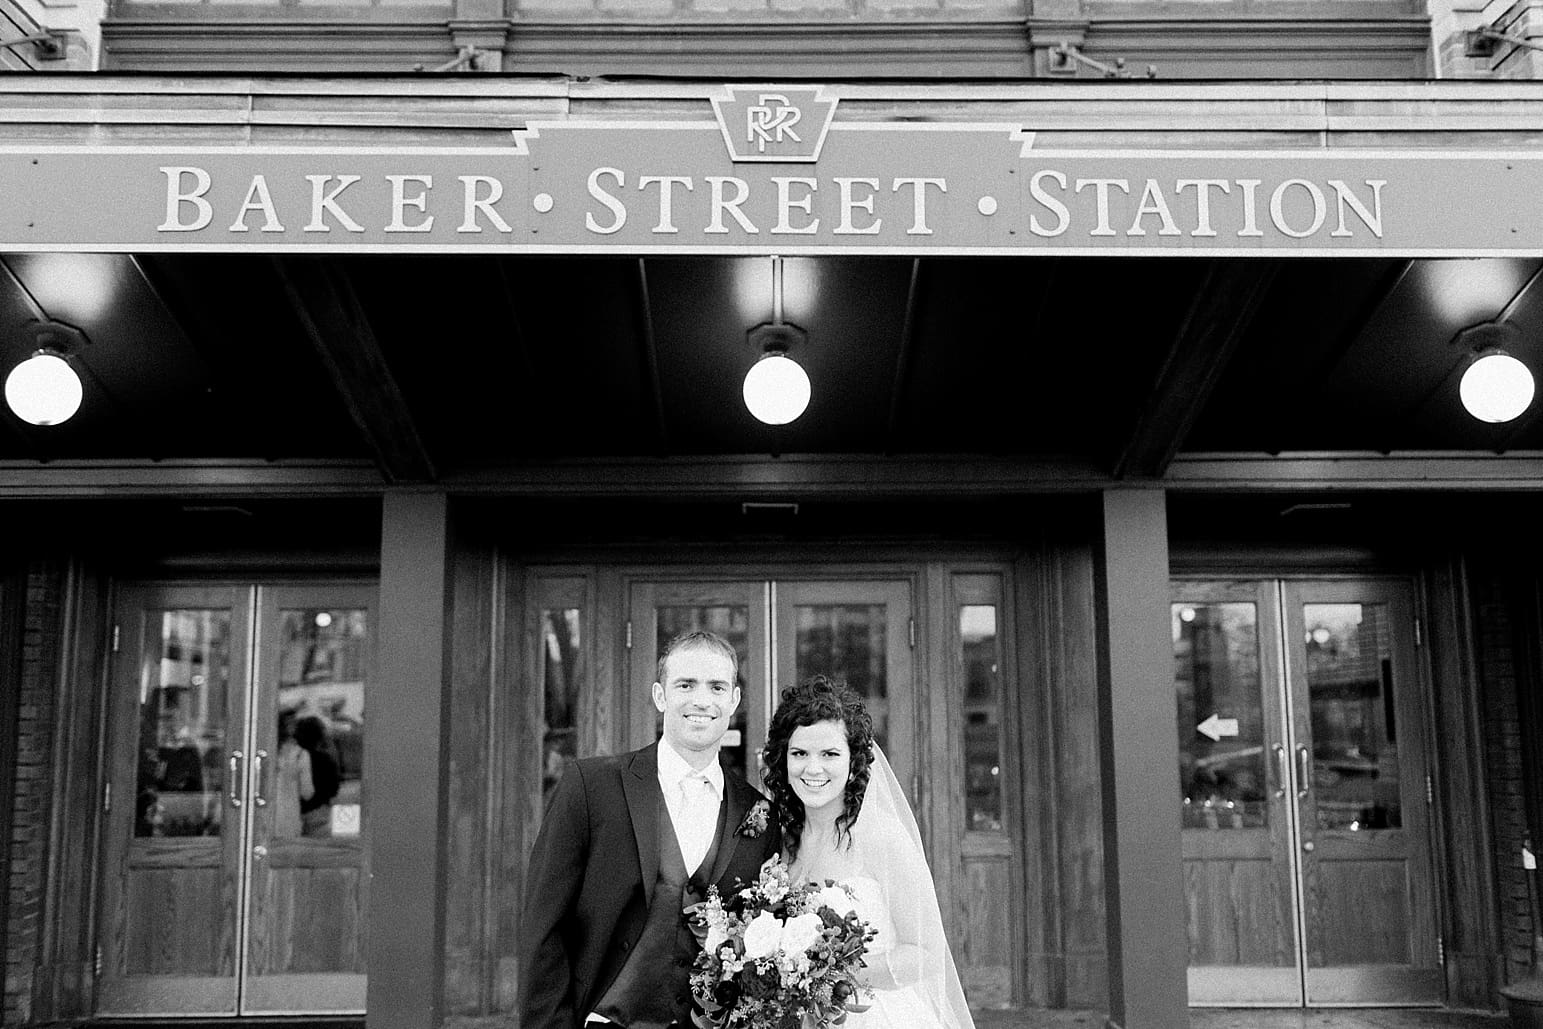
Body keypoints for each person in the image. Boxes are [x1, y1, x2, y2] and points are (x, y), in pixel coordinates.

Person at [519, 630, 780, 1029]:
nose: (701, 700)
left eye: (716, 686)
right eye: (685, 684)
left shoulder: (758, 814)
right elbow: (545, 927)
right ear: (660, 696)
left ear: (734, 700)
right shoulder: (590, 787)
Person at [762, 676, 975, 1029]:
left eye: (829, 754)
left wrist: (825, 970)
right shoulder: (782, 844)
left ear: (853, 762)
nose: (813, 768)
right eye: (799, 753)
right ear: (783, 760)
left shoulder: (881, 838)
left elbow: (926, 954)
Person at [295, 715, 340, 837]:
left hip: (295, 813)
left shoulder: (294, 758)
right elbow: (334, 789)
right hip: (319, 812)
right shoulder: (326, 760)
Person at [273, 709, 313, 839]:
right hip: (290, 819)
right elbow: (307, 793)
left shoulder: (266, 753)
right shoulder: (301, 755)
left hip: (267, 817)